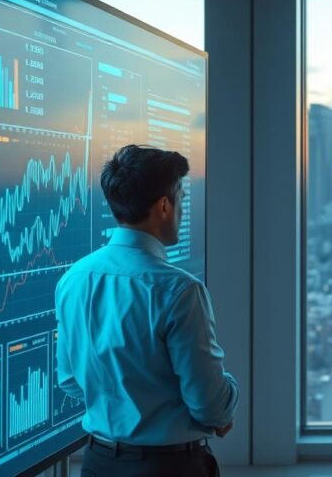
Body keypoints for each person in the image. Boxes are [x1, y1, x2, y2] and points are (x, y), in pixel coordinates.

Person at [55, 145, 238, 477]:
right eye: (181, 197)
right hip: (169, 467)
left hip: (97, 463)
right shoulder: (179, 290)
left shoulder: (72, 280)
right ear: (164, 205)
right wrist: (226, 403)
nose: (183, 209)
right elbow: (209, 404)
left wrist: (120, 405)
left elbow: (69, 379)